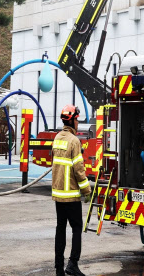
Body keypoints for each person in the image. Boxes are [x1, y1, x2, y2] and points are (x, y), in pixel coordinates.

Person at [52, 104, 91, 276]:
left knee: (60, 228)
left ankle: (58, 267)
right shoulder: (74, 141)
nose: (78, 123)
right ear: (73, 120)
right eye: (77, 119)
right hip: (71, 196)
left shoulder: (57, 138)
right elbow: (79, 170)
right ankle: (73, 264)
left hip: (58, 195)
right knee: (76, 228)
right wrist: (87, 191)